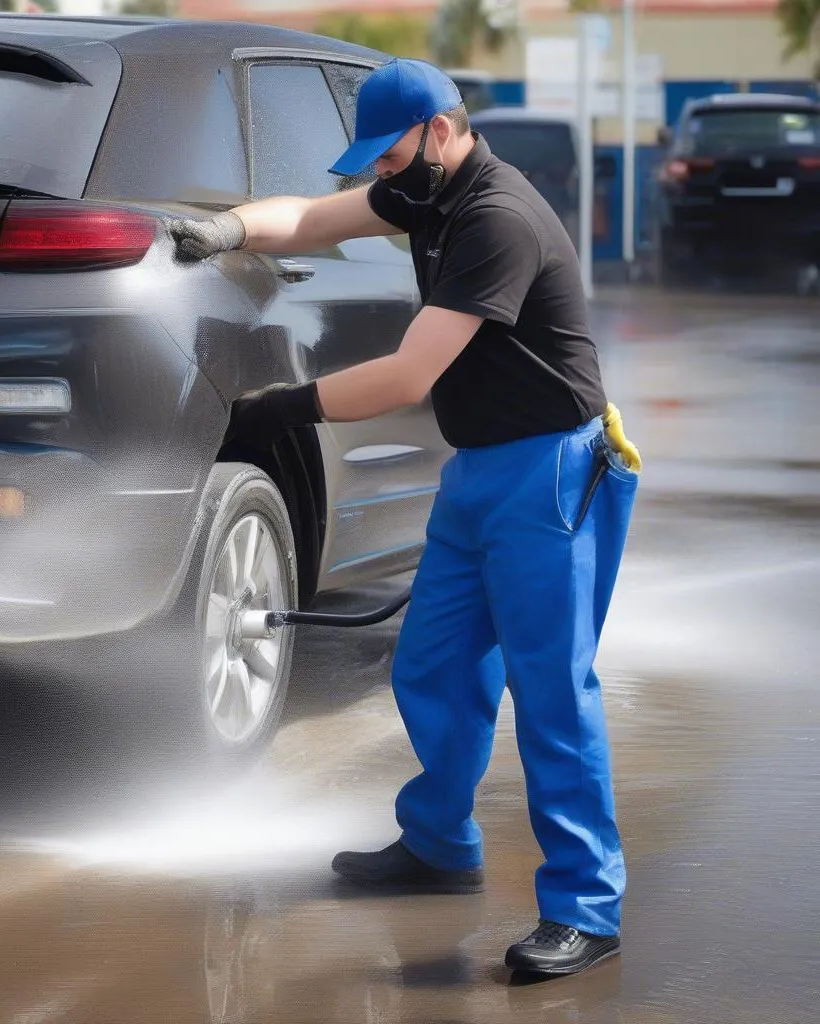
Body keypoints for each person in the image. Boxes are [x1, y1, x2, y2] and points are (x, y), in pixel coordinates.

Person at [164, 57, 641, 978]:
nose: (379, 175)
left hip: (551, 472)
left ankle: (587, 907)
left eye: (389, 155)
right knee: (432, 662)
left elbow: (409, 376)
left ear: (441, 130)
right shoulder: (427, 194)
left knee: (551, 691)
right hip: (480, 469)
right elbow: (307, 216)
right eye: (373, 162)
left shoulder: (496, 217)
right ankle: (438, 846)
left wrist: (279, 407)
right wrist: (221, 230)